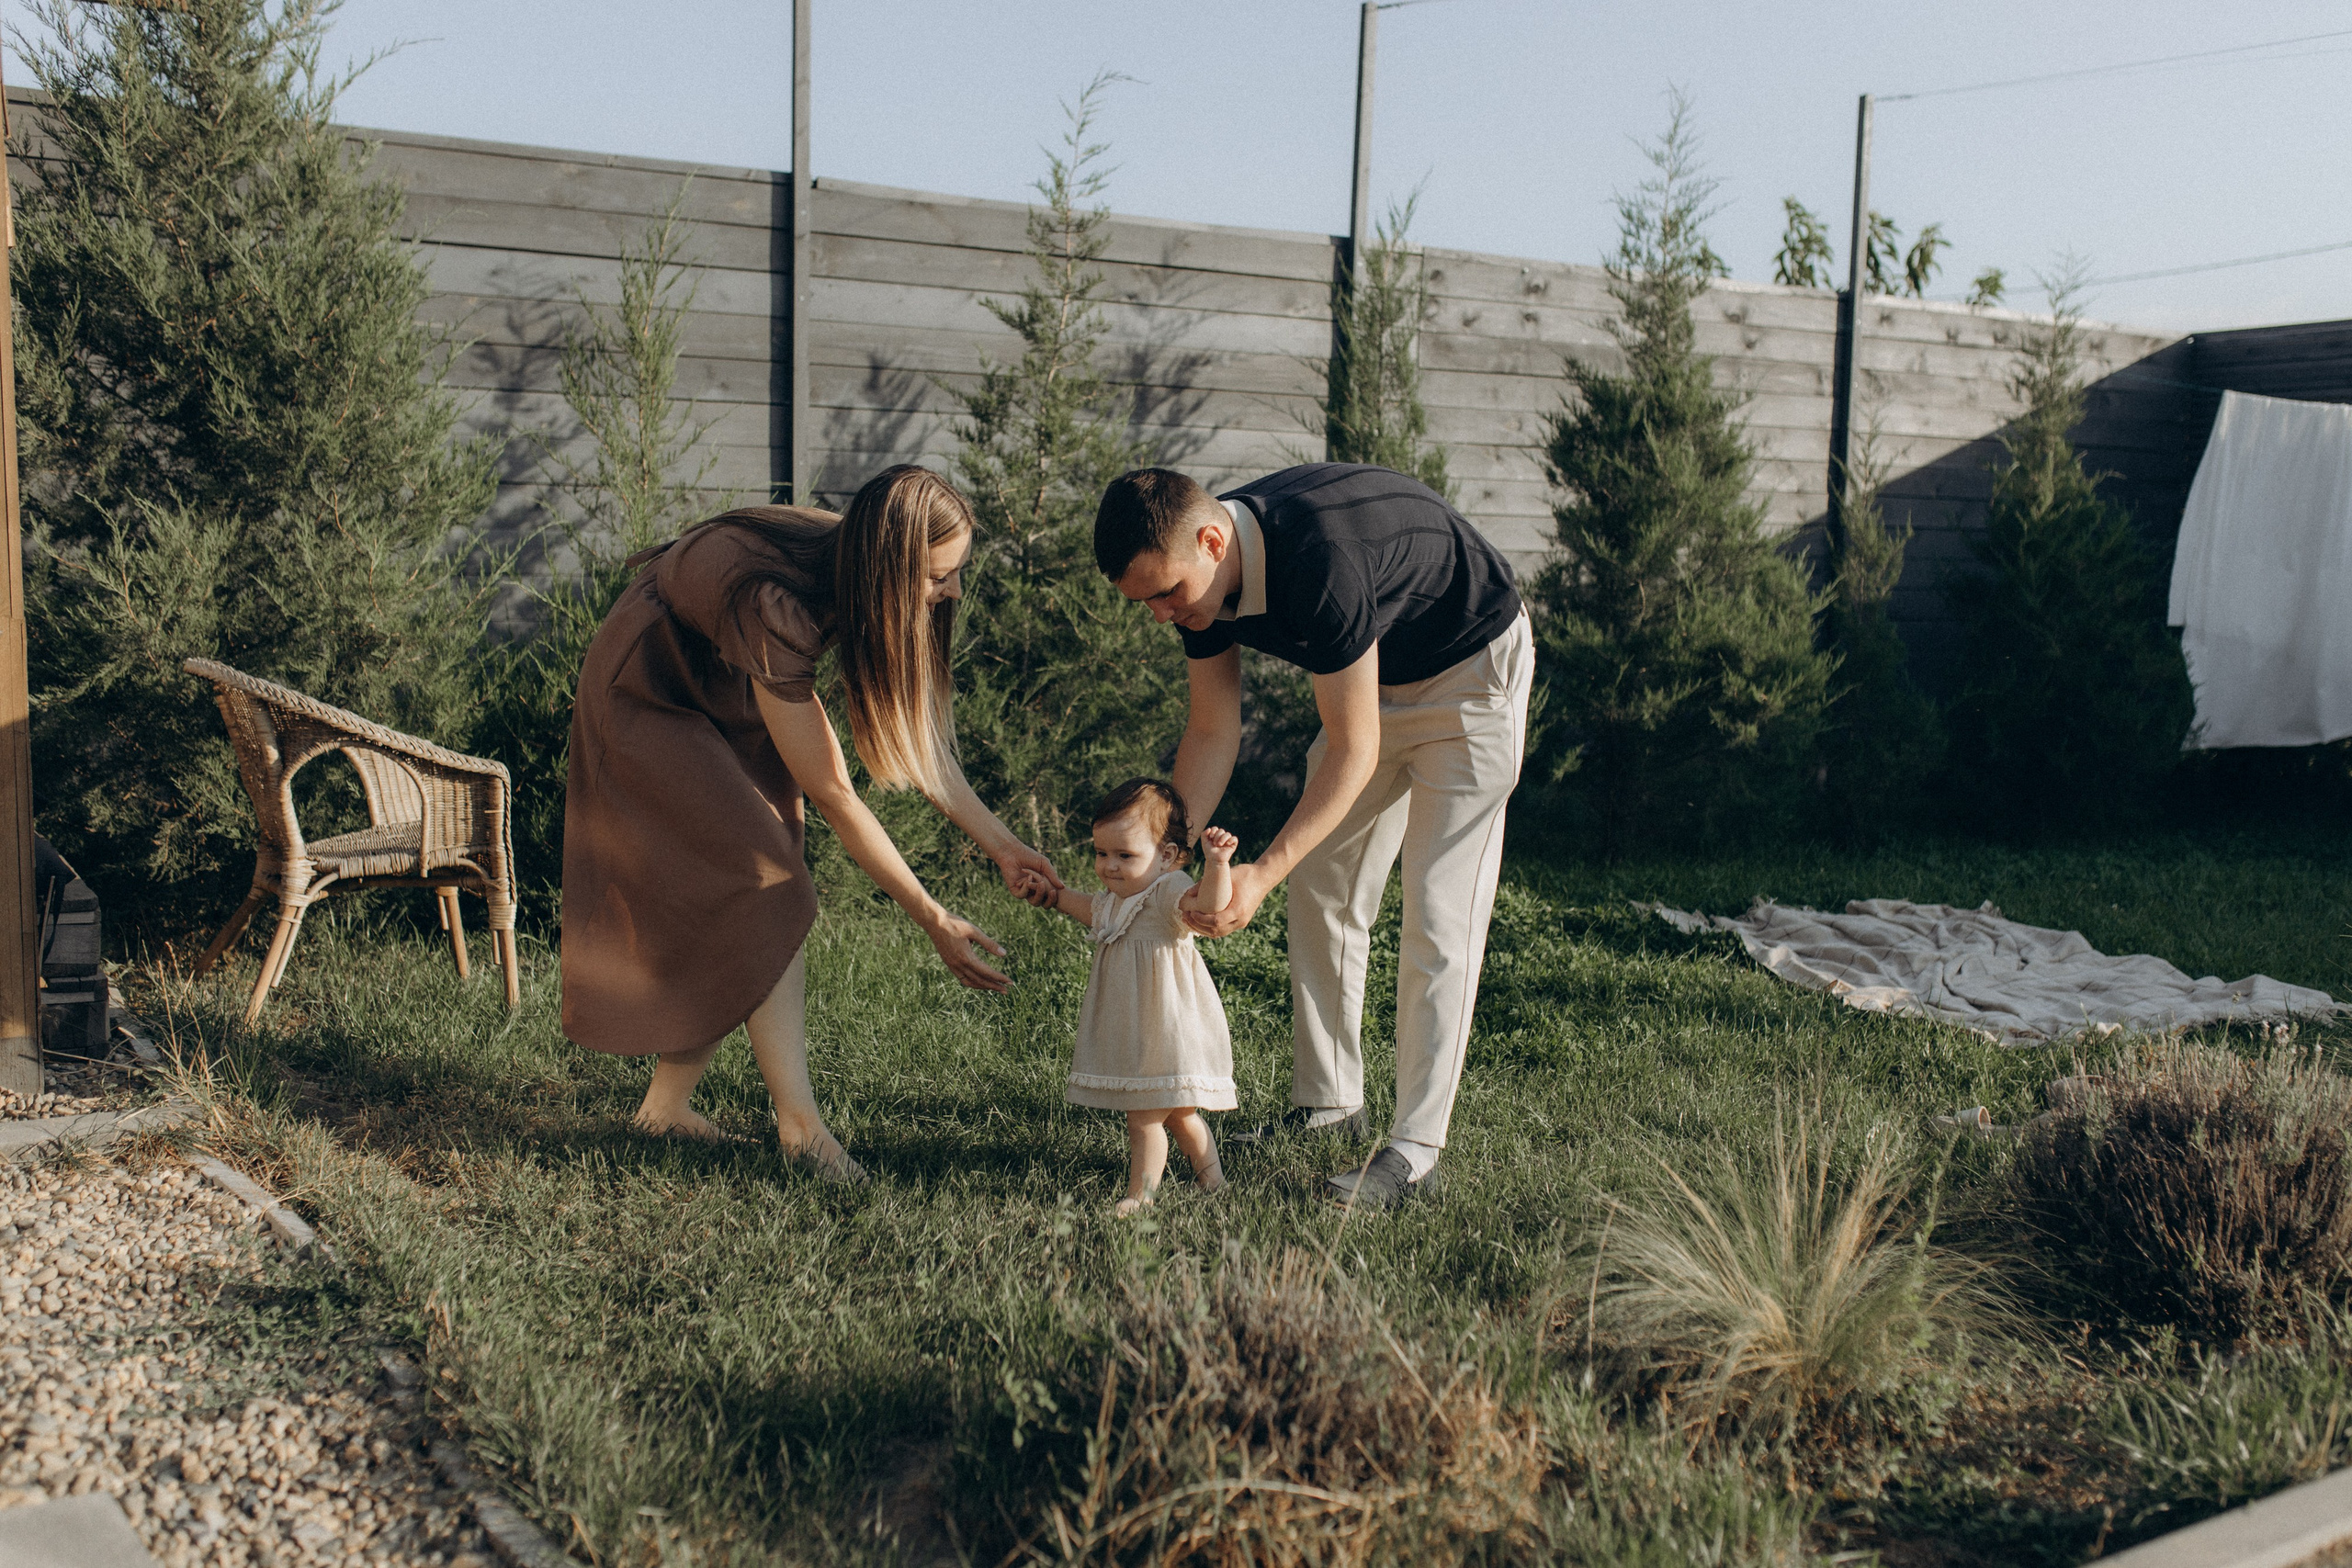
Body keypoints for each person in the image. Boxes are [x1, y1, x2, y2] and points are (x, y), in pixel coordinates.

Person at [560, 466, 1063, 1181]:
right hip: (650, 690)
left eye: (956, 573)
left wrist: (1006, 847)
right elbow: (836, 794)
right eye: (937, 578)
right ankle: (801, 1128)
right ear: (887, 570)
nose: (952, 591)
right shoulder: (778, 603)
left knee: (761, 873)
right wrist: (930, 915)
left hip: (731, 673)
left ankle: (664, 1107)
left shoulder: (855, 563)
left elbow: (912, 738)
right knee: (768, 880)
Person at [1092, 463, 1531, 1209]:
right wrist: (1165, 857)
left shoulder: (1318, 559)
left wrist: (1258, 873)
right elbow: (1211, 727)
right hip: (1373, 676)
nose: (1161, 615)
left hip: (1470, 676)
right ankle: (1330, 1102)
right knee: (1323, 883)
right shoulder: (1208, 587)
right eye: (1145, 603)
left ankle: (1416, 1153)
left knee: (1437, 912)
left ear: (1210, 539)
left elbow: (1352, 749)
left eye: (1165, 593)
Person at [1022, 779, 1234, 1214]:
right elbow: (1081, 907)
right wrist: (1050, 896)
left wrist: (1218, 865)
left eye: (1125, 855)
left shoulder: (1167, 891)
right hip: (1136, 1028)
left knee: (1144, 1116)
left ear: (1167, 856)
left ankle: (1142, 1197)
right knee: (1178, 1115)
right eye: (1101, 853)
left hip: (1168, 1027)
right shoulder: (1115, 901)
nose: (1109, 866)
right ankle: (1213, 1180)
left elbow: (1209, 905)